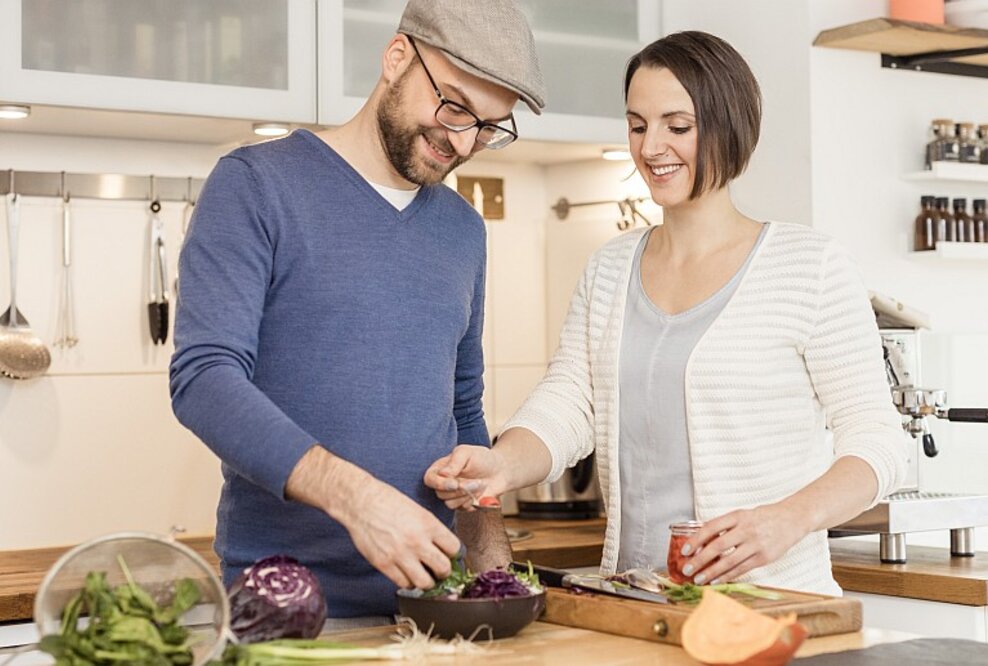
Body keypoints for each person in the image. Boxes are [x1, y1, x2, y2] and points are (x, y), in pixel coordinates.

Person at [425, 31, 908, 595]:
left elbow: (878, 442)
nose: (652, 147)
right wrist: (501, 465)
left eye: (677, 126)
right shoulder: (609, 268)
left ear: (730, 125)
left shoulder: (809, 267)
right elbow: (568, 404)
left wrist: (788, 519)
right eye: (637, 125)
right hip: (636, 600)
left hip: (773, 604)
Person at [169, 0, 545, 623]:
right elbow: (204, 380)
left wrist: (497, 579)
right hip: (286, 610)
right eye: (452, 106)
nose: (461, 140)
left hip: (432, 608)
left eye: (487, 126)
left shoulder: (463, 230)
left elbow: (462, 408)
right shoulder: (257, 185)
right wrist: (358, 499)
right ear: (397, 57)